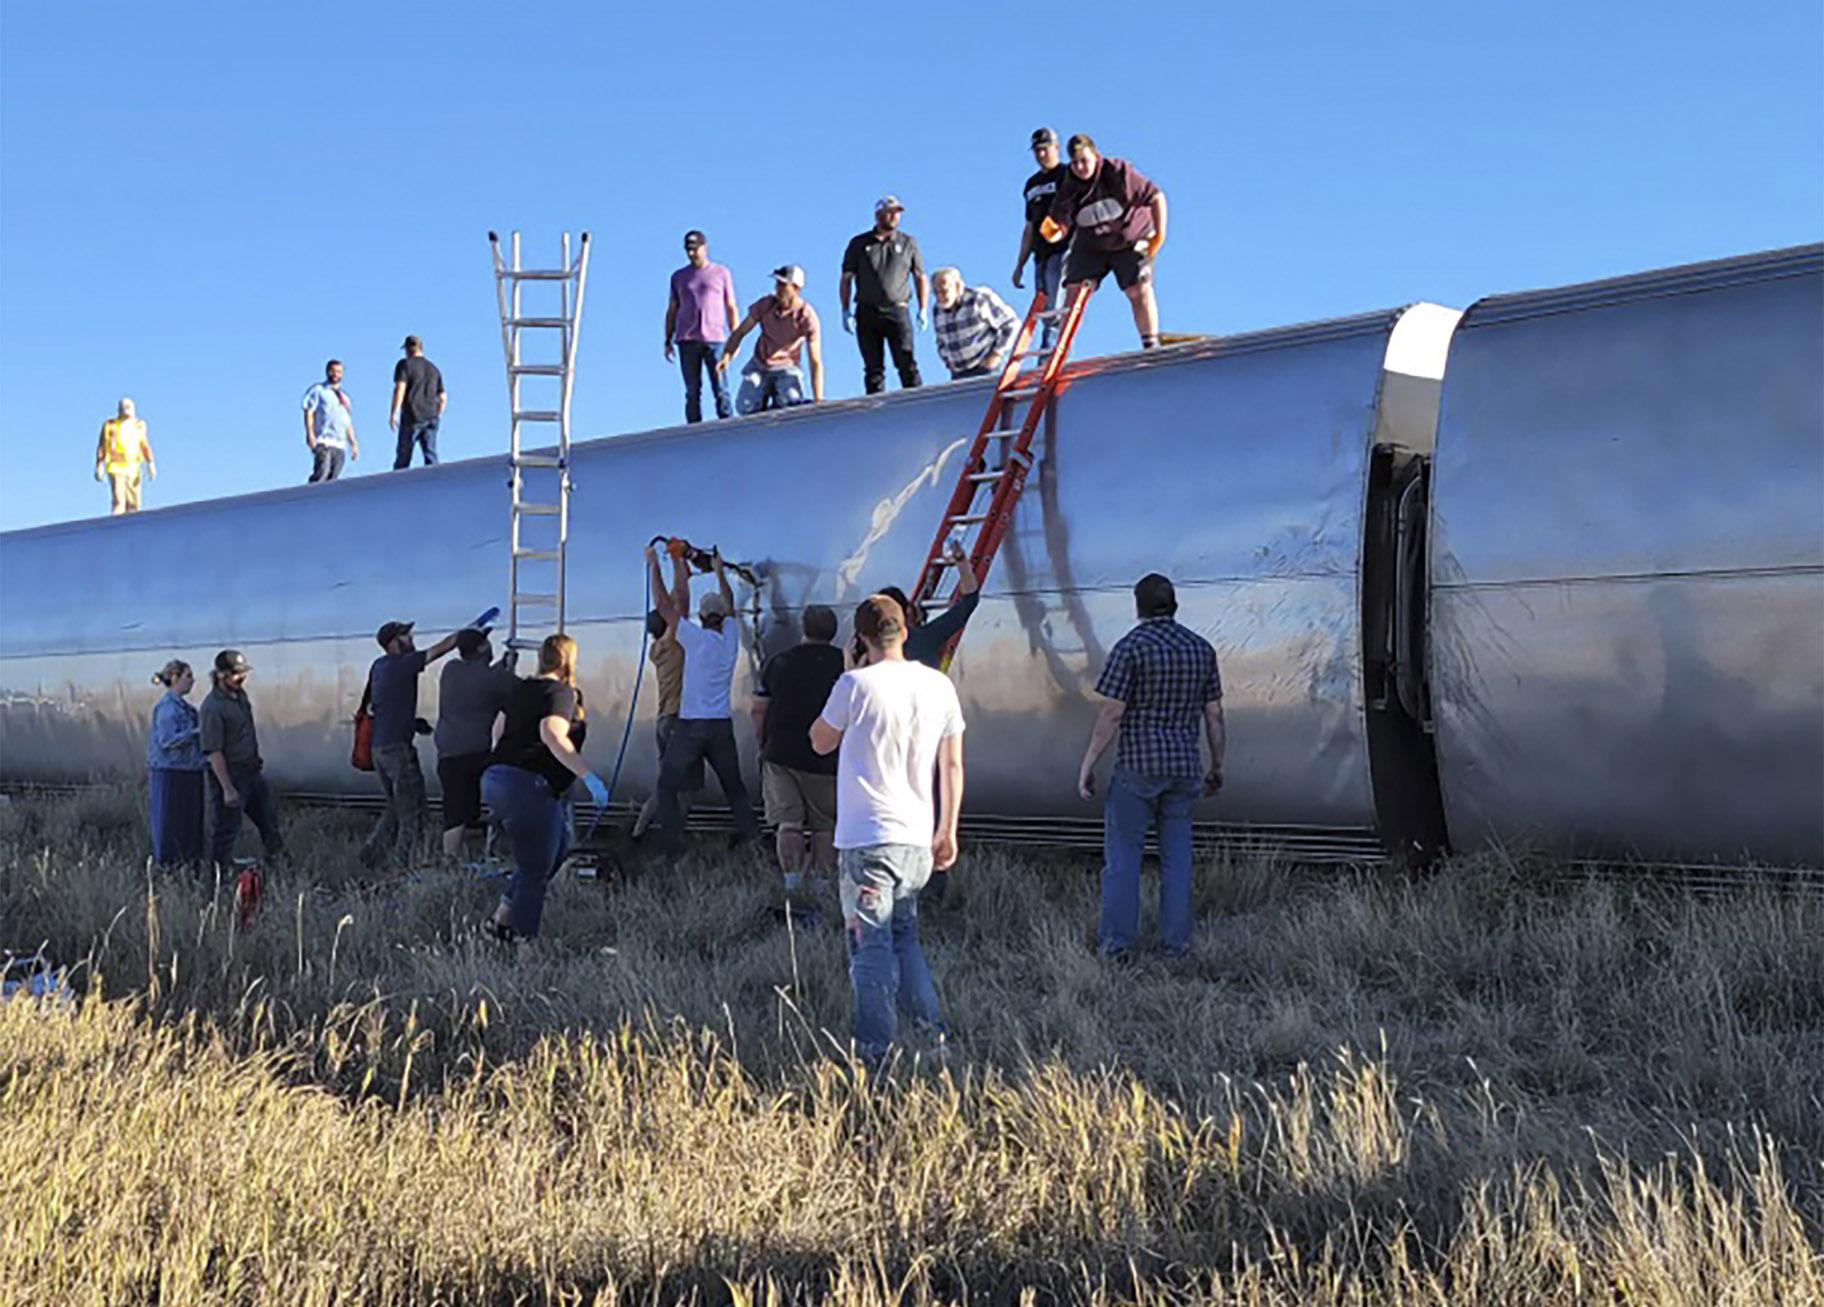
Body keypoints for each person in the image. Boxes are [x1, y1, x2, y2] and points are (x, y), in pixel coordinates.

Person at [810, 595, 965, 1065]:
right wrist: (948, 829)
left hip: (867, 838)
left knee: (869, 946)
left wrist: (844, 669)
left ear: (861, 639)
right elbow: (953, 763)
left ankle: (875, 1054)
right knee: (905, 937)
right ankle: (932, 1035)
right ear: (905, 630)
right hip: (917, 837)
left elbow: (819, 742)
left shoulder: (854, 684)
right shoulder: (939, 686)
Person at [1076, 573, 1225, 958]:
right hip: (1184, 767)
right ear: (1174, 604)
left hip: (1138, 768)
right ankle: (1177, 944)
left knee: (1124, 858)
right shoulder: (1201, 649)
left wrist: (1089, 762)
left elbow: (1112, 714)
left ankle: (1117, 945)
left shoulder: (1131, 648)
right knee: (1177, 860)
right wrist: (1217, 766)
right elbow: (1214, 715)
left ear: (1138, 606)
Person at [481, 634, 609, 944]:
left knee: (555, 851)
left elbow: (496, 729)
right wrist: (589, 778)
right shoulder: (560, 692)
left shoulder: (519, 689)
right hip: (528, 785)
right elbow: (551, 734)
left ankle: (500, 920)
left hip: (497, 778)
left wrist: (506, 762)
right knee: (536, 869)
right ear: (568, 660)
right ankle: (527, 948)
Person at [644, 543, 761, 856]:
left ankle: (672, 849)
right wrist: (719, 571)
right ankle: (752, 841)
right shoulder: (730, 639)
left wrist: (654, 565)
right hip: (721, 726)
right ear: (722, 618)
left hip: (690, 726)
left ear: (700, 615)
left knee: (667, 786)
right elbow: (731, 605)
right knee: (734, 786)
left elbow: (664, 604)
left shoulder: (693, 639)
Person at [752, 605, 844, 908]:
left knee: (788, 824)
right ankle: (821, 885)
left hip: (782, 754)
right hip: (826, 758)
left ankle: (792, 885)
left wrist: (761, 744)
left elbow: (758, 709)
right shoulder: (844, 665)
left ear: (804, 628)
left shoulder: (780, 662)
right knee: (824, 826)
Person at [1044, 135, 1168, 349]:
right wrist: (1055, 231)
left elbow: (1156, 197)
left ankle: (1150, 342)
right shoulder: (1069, 185)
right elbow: (1060, 219)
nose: (1080, 167)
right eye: (1075, 163)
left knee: (1137, 289)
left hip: (1129, 238)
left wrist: (1159, 233)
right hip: (1092, 244)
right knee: (1075, 291)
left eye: (1085, 161)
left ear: (1096, 157)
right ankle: (1061, 348)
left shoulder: (1117, 172)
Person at [360, 619, 464, 870]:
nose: (411, 639)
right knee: (413, 814)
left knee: (395, 807)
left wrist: (411, 722)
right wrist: (467, 632)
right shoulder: (402, 664)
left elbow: (378, 704)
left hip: (380, 748)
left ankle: (370, 855)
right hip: (397, 750)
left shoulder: (379, 666)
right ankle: (404, 867)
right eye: (405, 635)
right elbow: (438, 651)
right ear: (393, 643)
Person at [434, 629, 518, 861]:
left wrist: (502, 665)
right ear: (482, 648)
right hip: (474, 752)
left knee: (456, 808)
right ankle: (455, 859)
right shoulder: (496, 679)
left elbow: (480, 679)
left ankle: (455, 859)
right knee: (469, 810)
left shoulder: (450, 670)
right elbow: (511, 690)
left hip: (447, 751)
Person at [200, 649, 285, 871]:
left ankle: (279, 865)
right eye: (236, 674)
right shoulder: (212, 708)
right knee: (227, 830)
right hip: (232, 775)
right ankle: (217, 878)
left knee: (269, 821)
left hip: (252, 772)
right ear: (221, 675)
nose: (242, 677)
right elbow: (213, 752)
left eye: (243, 672)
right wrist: (227, 788)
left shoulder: (240, 696)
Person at [839, 196, 927, 394]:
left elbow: (920, 276)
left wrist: (922, 309)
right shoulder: (859, 244)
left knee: (907, 363)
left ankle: (916, 405)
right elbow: (846, 279)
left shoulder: (908, 243)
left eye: (897, 213)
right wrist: (845, 310)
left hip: (897, 310)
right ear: (879, 215)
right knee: (873, 369)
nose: (894, 217)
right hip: (867, 311)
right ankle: (876, 411)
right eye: (890, 212)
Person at [631, 605, 704, 840]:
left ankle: (638, 833)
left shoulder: (656, 650)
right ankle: (671, 837)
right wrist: (679, 570)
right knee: (684, 790)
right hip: (679, 722)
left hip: (665, 721)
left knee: (670, 784)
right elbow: (678, 606)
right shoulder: (672, 645)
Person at [720, 266, 824, 415]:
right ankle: (763, 405)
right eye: (777, 284)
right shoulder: (766, 305)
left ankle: (788, 402)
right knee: (744, 406)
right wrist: (727, 355)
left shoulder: (806, 316)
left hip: (787, 367)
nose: (778, 289)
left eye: (783, 285)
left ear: (796, 288)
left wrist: (818, 399)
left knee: (790, 403)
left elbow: (815, 361)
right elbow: (741, 331)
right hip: (760, 364)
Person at [665, 230, 739, 423]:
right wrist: (667, 338)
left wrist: (735, 337)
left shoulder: (721, 273)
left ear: (704, 248)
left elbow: (730, 305)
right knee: (692, 390)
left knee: (721, 387)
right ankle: (693, 429)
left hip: (714, 339)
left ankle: (727, 425)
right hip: (687, 339)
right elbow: (672, 308)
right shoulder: (679, 277)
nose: (691, 254)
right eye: (688, 250)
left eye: (695, 249)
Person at [879, 538, 981, 670]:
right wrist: (961, 560)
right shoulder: (925, 639)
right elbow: (970, 600)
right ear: (906, 611)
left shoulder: (867, 650)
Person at [1012, 127, 1069, 348]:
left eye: (1045, 149)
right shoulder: (1031, 185)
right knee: (1044, 303)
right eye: (1037, 150)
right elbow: (1028, 226)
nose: (1041, 155)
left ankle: (1049, 355)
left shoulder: (1066, 174)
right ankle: (1047, 352)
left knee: (1055, 306)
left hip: (1062, 247)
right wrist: (1020, 265)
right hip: (1040, 252)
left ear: (1056, 148)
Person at [146, 659, 205, 866]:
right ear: (174, 678)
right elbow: (167, 740)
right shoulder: (168, 709)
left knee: (188, 825)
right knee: (171, 824)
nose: (192, 681)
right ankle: (170, 864)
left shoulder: (186, 709)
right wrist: (195, 733)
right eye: (188, 676)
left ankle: (188, 862)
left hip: (187, 770)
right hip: (170, 771)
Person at [931, 268, 1021, 380]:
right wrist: (948, 361)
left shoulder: (978, 298)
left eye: (944, 291)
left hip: (987, 368)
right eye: (936, 292)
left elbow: (1011, 323)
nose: (940, 297)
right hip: (958, 373)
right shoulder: (937, 310)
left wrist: (996, 354)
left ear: (958, 287)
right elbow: (940, 341)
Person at [389, 335, 446, 468]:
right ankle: (434, 483)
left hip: (412, 415)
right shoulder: (433, 369)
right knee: (431, 455)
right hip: (431, 416)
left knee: (403, 457)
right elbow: (442, 397)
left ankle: (398, 486)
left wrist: (394, 413)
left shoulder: (404, 364)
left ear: (408, 349)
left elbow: (400, 388)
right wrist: (437, 414)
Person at [94, 398, 155, 516]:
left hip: (133, 468)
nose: (126, 409)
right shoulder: (110, 425)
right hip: (116, 467)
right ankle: (116, 527)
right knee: (119, 501)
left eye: (129, 407)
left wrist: (150, 463)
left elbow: (144, 445)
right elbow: (102, 446)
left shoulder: (139, 425)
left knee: (134, 504)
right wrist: (99, 465)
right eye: (123, 407)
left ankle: (133, 528)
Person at [302, 360, 359, 483]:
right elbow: (309, 411)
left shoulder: (345, 398)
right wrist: (310, 434)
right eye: (333, 371)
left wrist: (353, 442)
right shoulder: (318, 391)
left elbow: (347, 421)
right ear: (327, 371)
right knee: (322, 471)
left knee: (333, 478)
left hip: (339, 443)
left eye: (338, 372)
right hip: (324, 440)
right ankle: (312, 497)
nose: (335, 374)